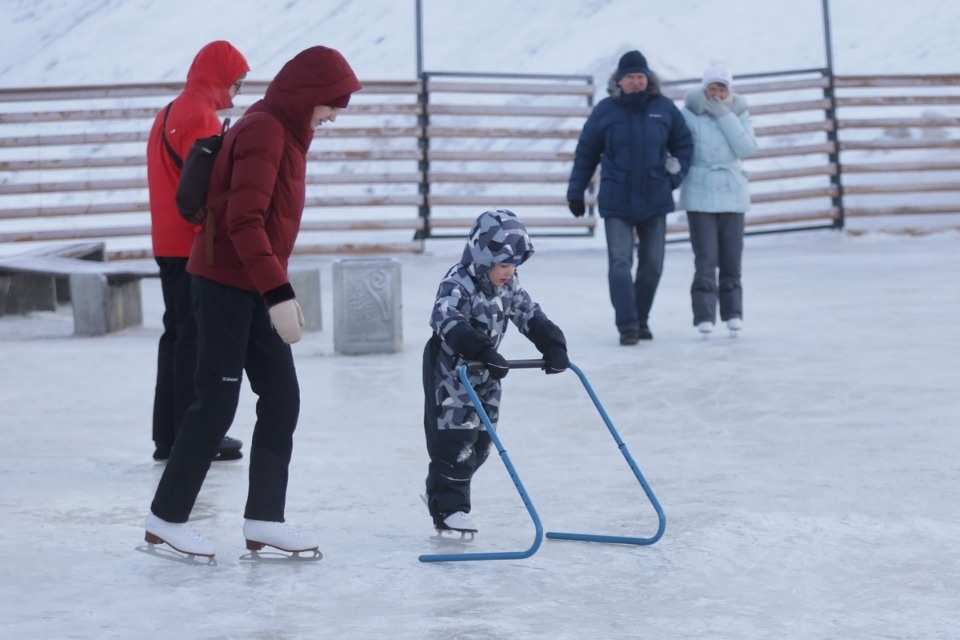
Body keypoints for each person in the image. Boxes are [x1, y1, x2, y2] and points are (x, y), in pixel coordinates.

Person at [144, 46, 363, 558]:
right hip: (223, 282)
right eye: (331, 104)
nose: (334, 116)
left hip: (248, 283)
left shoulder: (285, 131)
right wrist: (279, 293)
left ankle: (265, 518)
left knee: (281, 396)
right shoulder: (265, 130)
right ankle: (167, 517)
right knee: (215, 403)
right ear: (309, 96)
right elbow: (243, 221)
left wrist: (269, 287)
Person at [421, 209, 570, 534]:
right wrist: (481, 350)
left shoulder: (508, 285)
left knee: (480, 445)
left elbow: (528, 313)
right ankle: (449, 509)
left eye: (515, 264)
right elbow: (447, 320)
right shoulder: (457, 282)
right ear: (483, 257)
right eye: (504, 264)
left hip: (487, 373)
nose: (510, 271)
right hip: (451, 374)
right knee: (455, 443)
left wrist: (552, 344)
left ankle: (442, 490)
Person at [146, 40, 249, 462]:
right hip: (192, 243)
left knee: (176, 337)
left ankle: (167, 436)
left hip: (165, 241)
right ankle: (191, 438)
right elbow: (205, 189)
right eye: (237, 83)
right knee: (195, 340)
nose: (238, 93)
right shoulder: (203, 120)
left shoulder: (168, 112)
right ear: (220, 78)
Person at [567, 50, 693, 345]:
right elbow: (586, 152)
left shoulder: (664, 108)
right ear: (619, 81)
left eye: (640, 76)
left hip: (654, 197)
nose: (636, 81)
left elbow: (684, 145)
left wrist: (673, 178)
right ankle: (628, 326)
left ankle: (641, 318)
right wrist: (576, 191)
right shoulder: (605, 111)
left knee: (652, 265)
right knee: (620, 265)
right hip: (616, 199)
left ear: (648, 79)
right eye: (630, 77)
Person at [679, 62, 758, 335]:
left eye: (722, 88)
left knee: (731, 258)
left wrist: (725, 115)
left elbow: (746, 148)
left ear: (729, 91)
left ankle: (733, 312)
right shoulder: (689, 113)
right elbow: (677, 143)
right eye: (712, 88)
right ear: (704, 89)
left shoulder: (738, 112)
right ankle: (704, 315)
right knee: (705, 258)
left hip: (732, 193)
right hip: (699, 192)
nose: (717, 94)